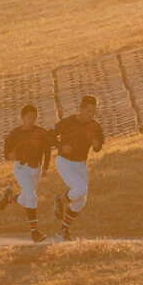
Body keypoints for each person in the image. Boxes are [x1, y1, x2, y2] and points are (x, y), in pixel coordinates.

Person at [0, 103, 54, 243]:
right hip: (21, 168)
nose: (31, 120)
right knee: (32, 198)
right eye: (29, 117)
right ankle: (35, 232)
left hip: (36, 169)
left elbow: (47, 150)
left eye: (34, 118)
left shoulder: (40, 132)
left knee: (26, 198)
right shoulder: (15, 134)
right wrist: (8, 155)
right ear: (22, 117)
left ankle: (9, 197)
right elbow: (7, 149)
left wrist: (46, 167)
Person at [52, 96, 105, 239]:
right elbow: (49, 134)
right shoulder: (68, 122)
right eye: (88, 111)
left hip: (80, 165)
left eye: (93, 112)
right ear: (81, 109)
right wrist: (61, 146)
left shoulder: (95, 126)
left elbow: (99, 146)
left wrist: (96, 145)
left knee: (81, 200)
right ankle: (60, 199)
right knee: (80, 190)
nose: (91, 115)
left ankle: (63, 231)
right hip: (65, 162)